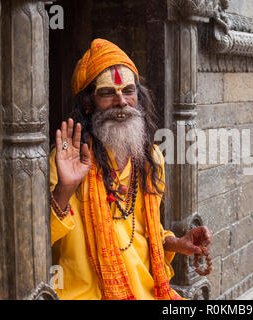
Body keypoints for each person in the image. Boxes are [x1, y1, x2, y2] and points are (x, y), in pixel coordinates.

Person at [50, 39, 212, 300]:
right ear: (87, 103)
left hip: (148, 291)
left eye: (128, 91)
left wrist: (176, 243)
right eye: (107, 93)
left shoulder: (150, 157)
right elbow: (40, 241)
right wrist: (65, 189)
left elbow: (145, 232)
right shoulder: (67, 159)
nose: (121, 101)